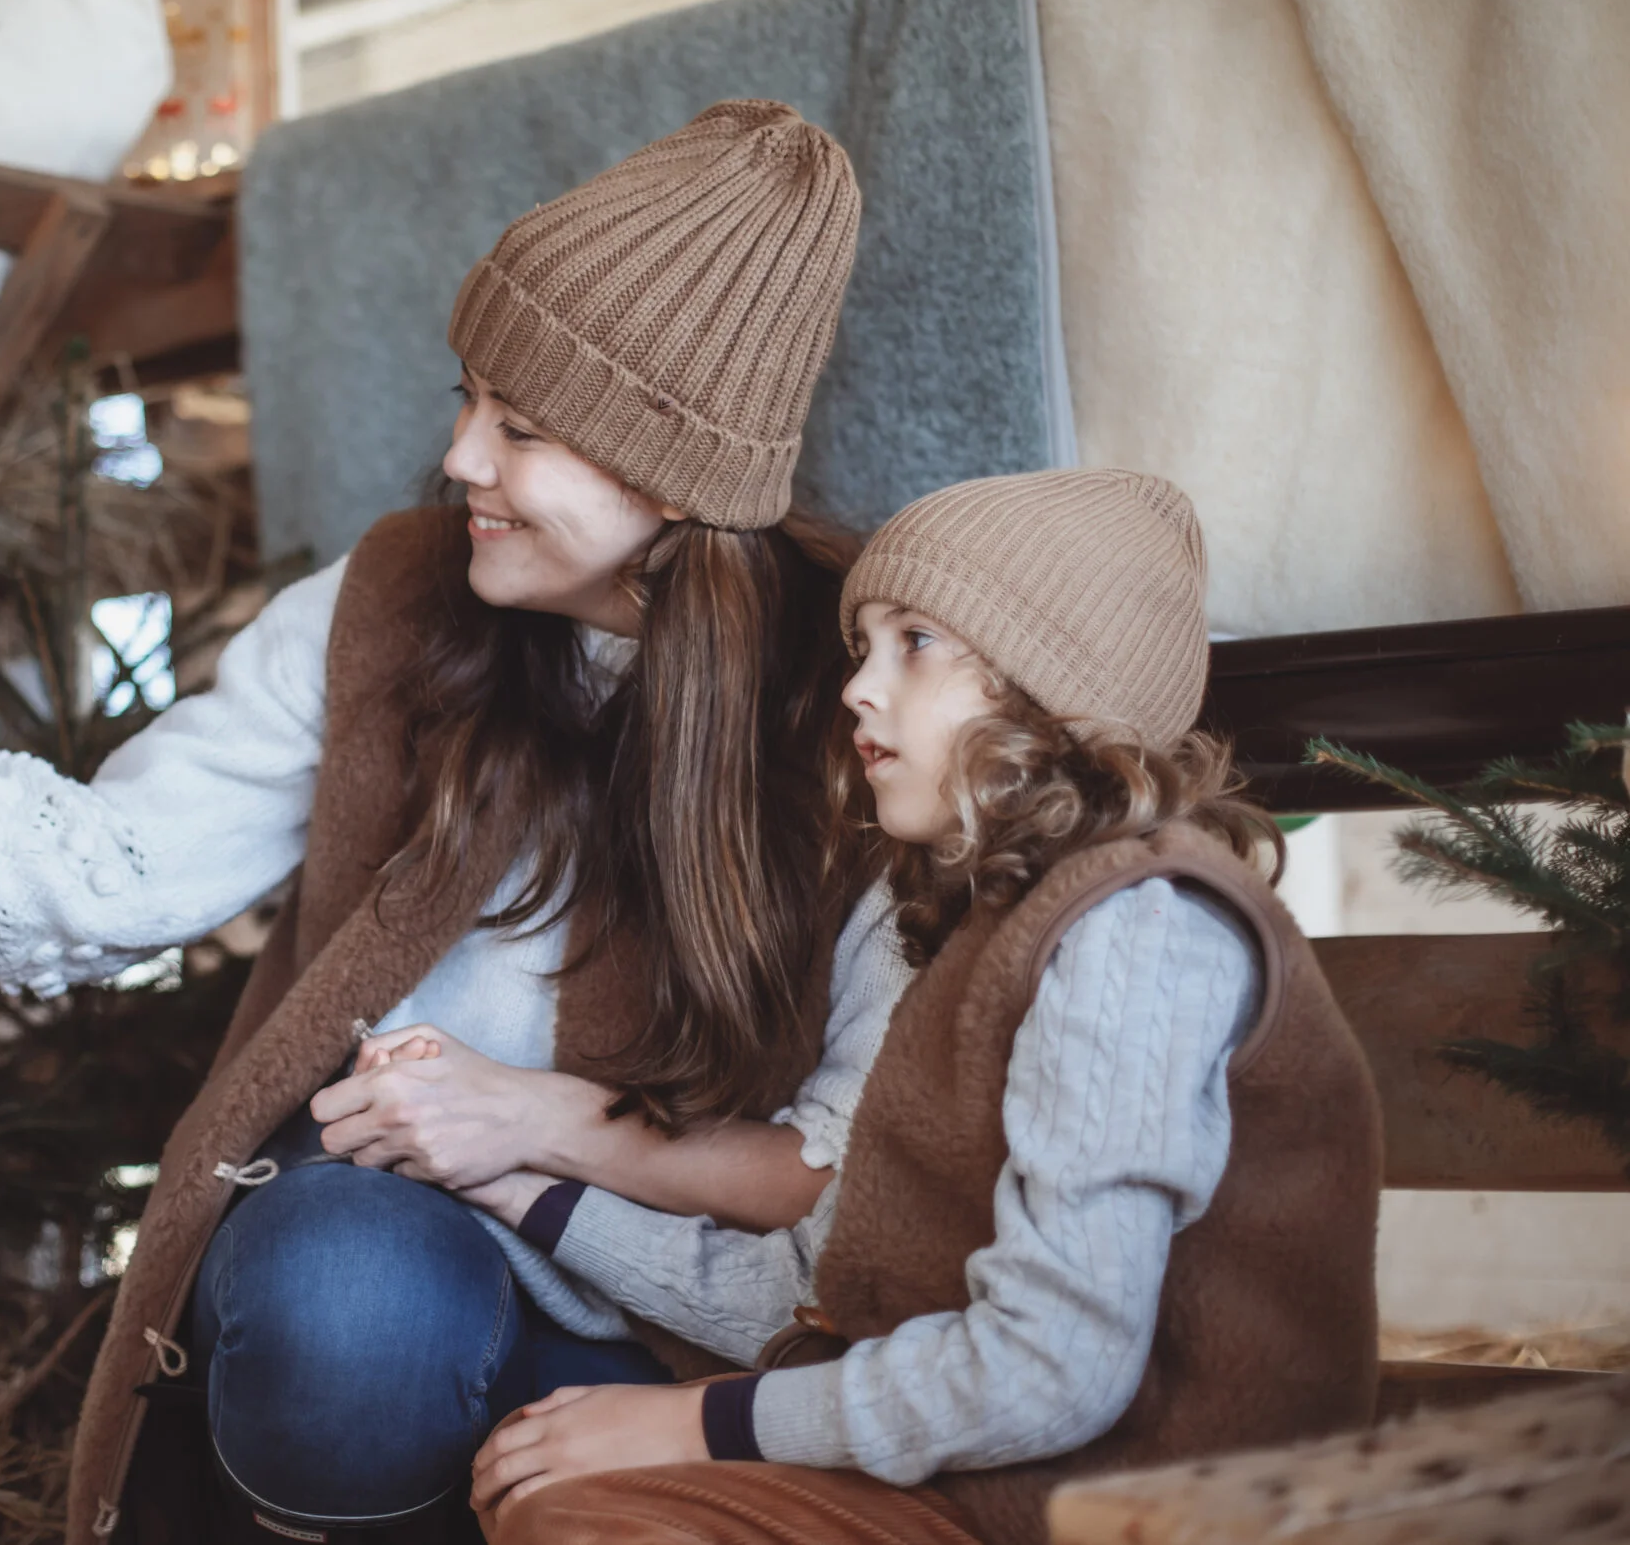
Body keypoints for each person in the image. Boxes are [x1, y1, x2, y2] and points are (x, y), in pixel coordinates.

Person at [0, 100, 881, 1541]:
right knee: (345, 1298)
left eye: (521, 425)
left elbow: (848, 1172)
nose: (458, 458)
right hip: (393, 1247)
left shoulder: (861, 706)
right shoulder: (391, 606)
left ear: (669, 476)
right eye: (467, 398)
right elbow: (93, 880)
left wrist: (556, 1143)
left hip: (677, 1297)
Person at [462, 469, 1386, 1545]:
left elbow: (1053, 1368)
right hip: (990, 1491)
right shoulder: (988, 927)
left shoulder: (1138, 930)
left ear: (1049, 691)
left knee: (591, 1526)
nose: (857, 687)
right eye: (862, 646)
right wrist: (522, 1186)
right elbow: (816, 1294)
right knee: (559, 1497)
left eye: (914, 643)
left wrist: (700, 1423)